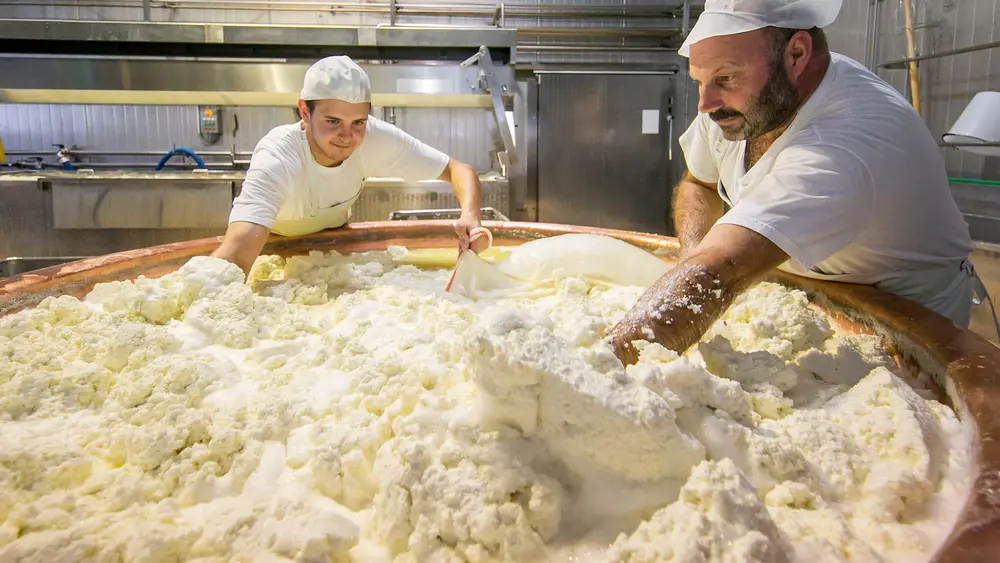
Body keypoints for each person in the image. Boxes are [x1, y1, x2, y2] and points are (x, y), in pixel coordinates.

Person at [609, 0, 977, 366]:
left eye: (725, 78)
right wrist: (692, 257)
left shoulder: (846, 141)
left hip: (898, 314)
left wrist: (606, 363)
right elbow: (699, 185)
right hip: (796, 288)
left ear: (797, 54)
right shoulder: (743, 103)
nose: (706, 104)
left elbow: (721, 269)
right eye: (700, 81)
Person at [213, 55, 489, 274]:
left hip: (333, 255)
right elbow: (236, 256)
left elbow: (458, 170)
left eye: (358, 122)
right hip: (274, 257)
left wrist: (470, 217)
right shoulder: (278, 158)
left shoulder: (373, 138)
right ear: (305, 111)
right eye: (332, 121)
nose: (347, 137)